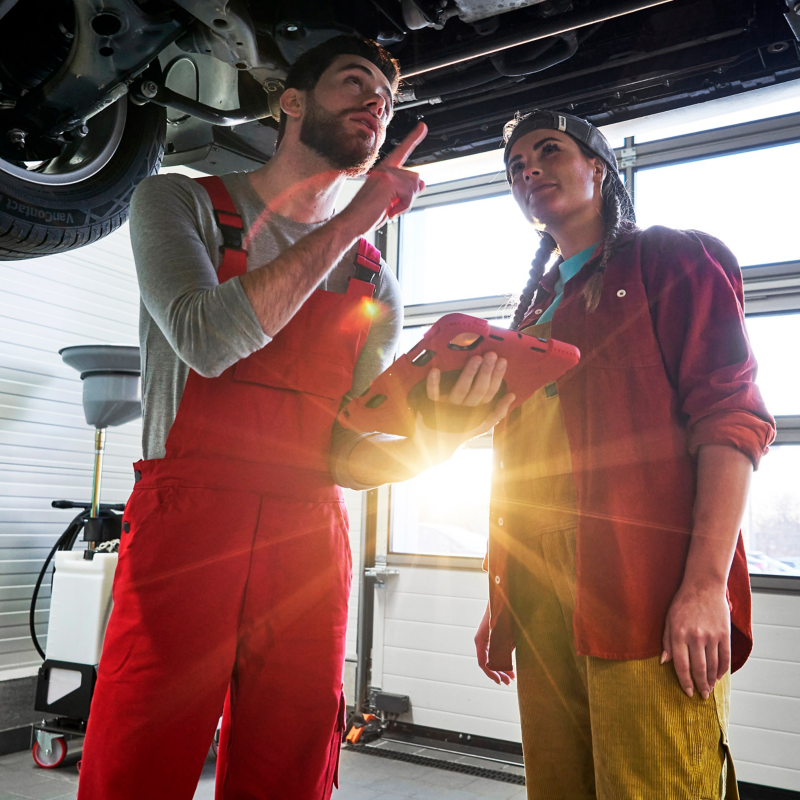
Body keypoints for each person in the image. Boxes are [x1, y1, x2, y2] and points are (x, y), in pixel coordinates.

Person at [77, 35, 512, 800]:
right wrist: (353, 219)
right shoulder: (180, 200)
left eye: (386, 98)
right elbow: (208, 342)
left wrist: (446, 436)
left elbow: (349, 453)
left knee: (292, 754)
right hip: (189, 520)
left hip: (309, 534)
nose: (376, 103)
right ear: (291, 100)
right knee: (141, 748)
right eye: (355, 82)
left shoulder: (377, 280)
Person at [473, 110, 775, 800]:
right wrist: (504, 593)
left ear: (599, 170)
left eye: (547, 152)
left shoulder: (669, 257)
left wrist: (703, 585)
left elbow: (730, 419)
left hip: (643, 585)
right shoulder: (532, 312)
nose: (529, 171)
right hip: (542, 589)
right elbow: (516, 468)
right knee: (559, 787)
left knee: (655, 784)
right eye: (516, 166)